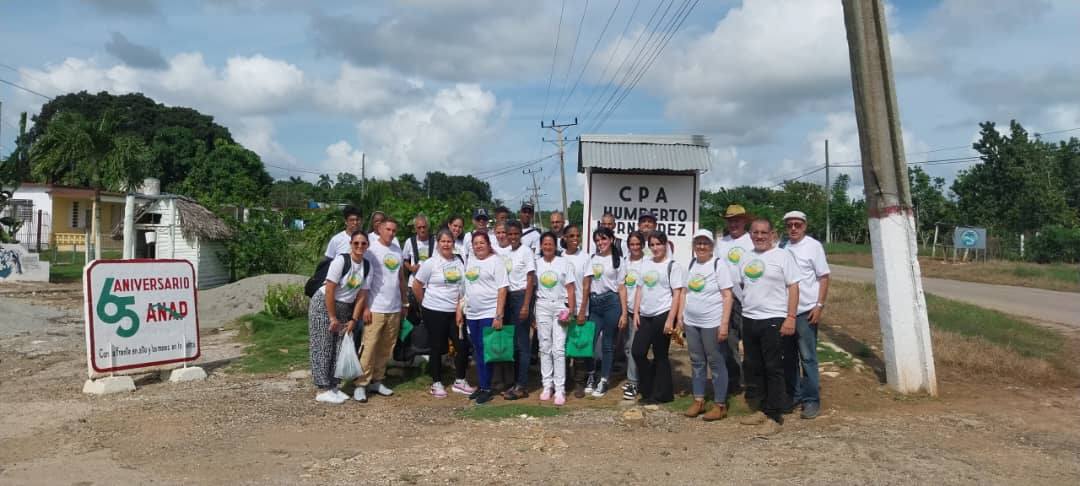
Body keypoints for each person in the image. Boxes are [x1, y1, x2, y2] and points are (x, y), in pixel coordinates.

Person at [737, 218, 799, 433]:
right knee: (755, 366)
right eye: (755, 232)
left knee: (773, 367)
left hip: (774, 318)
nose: (760, 236)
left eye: (764, 232)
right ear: (750, 234)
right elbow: (743, 284)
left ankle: (775, 416)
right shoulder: (746, 257)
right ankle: (762, 409)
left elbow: (793, 287)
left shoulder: (783, 256)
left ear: (772, 234)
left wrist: (791, 317)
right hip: (749, 318)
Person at [678, 229, 735, 420]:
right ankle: (699, 399)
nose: (701, 246)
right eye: (698, 243)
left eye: (705, 243)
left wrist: (724, 324)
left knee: (716, 361)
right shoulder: (691, 264)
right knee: (696, 360)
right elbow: (684, 292)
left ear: (712, 246)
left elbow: (727, 296)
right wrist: (681, 316)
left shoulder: (719, 265)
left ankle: (720, 404)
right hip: (691, 322)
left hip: (712, 322)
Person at [308, 230, 370, 404]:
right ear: (351, 244)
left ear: (367, 245)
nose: (359, 246)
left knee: (339, 347)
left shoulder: (366, 266)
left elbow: (362, 295)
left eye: (363, 243)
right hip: (324, 305)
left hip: (345, 308)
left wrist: (353, 319)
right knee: (323, 344)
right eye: (356, 243)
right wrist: (332, 317)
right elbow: (329, 289)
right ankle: (322, 388)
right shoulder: (341, 261)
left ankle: (334, 385)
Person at [411, 229, 474, 398]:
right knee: (437, 347)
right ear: (438, 243)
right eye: (443, 241)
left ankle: (460, 380)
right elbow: (417, 285)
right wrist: (424, 305)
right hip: (434, 311)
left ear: (453, 243)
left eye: (449, 241)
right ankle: (436, 382)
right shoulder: (430, 263)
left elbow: (462, 287)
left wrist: (460, 308)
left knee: (462, 345)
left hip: (455, 311)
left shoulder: (459, 261)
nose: (446, 244)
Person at [782, 210, 831, 419]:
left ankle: (811, 400)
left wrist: (819, 305)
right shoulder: (782, 246)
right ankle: (794, 395)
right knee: (788, 357)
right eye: (790, 225)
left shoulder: (813, 246)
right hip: (785, 312)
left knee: (808, 357)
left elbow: (824, 277)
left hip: (805, 311)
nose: (793, 228)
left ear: (805, 226)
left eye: (798, 224)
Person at [356, 217, 408, 402]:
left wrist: (404, 302)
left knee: (386, 347)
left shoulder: (397, 250)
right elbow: (364, 280)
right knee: (369, 346)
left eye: (394, 230)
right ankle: (361, 383)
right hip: (375, 307)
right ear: (379, 229)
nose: (391, 233)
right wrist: (365, 307)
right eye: (388, 229)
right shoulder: (371, 250)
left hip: (394, 307)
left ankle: (377, 380)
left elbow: (400, 278)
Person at [632, 231, 685, 405]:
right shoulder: (645, 263)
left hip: (663, 313)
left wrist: (671, 319)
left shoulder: (672, 266)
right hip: (645, 314)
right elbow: (639, 288)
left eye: (658, 244)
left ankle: (662, 394)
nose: (655, 248)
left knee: (660, 355)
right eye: (652, 245)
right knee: (638, 352)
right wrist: (636, 313)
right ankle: (648, 388)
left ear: (665, 245)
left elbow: (677, 294)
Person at [458, 231, 509, 404]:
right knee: (478, 350)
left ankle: (487, 387)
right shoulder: (471, 261)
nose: (479, 246)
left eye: (482, 243)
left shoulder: (496, 261)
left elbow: (502, 289)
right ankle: (482, 384)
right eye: (476, 243)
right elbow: (466, 287)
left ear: (488, 244)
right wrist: (461, 308)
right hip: (472, 314)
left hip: (489, 312)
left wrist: (499, 315)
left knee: (487, 350)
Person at [577, 226, 628, 398]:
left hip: (611, 302)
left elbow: (621, 288)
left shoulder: (618, 260)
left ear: (611, 239)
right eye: (597, 240)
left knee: (607, 344)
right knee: (589, 343)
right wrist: (583, 308)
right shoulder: (592, 258)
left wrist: (624, 313)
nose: (600, 243)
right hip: (595, 303)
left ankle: (604, 379)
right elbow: (586, 284)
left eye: (603, 239)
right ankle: (591, 375)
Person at [534, 231, 576, 406]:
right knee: (545, 347)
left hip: (560, 306)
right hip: (542, 306)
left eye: (550, 244)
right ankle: (547, 386)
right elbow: (532, 287)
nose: (548, 247)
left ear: (555, 245)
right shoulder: (536, 264)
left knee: (558, 348)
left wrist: (571, 310)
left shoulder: (564, 263)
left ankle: (560, 389)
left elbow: (571, 288)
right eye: (545, 244)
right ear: (541, 246)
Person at [715, 204, 752, 396]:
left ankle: (753, 381)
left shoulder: (752, 240)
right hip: (727, 296)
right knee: (729, 341)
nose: (733, 224)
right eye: (730, 221)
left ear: (744, 221)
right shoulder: (721, 243)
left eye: (737, 220)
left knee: (750, 340)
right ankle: (733, 380)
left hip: (748, 295)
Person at [502, 221, 536, 400]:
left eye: (516, 234)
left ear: (521, 234)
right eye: (510, 234)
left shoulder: (526, 252)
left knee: (523, 343)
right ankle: (514, 382)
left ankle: (522, 385)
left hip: (521, 297)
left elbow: (530, 279)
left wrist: (526, 305)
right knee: (513, 343)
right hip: (508, 298)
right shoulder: (506, 253)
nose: (513, 237)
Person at [560, 224, 591, 398]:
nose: (575, 239)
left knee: (579, 348)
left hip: (579, 307)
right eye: (571, 236)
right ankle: (563, 381)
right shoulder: (559, 257)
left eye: (577, 236)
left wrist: (582, 310)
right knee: (562, 347)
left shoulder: (585, 258)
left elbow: (586, 286)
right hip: (561, 308)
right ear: (564, 238)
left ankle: (579, 382)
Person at [619, 231, 646, 400]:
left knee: (635, 347)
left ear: (642, 245)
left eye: (637, 244)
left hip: (641, 311)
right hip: (627, 309)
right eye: (632, 244)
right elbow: (621, 286)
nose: (635, 247)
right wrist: (624, 311)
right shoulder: (624, 262)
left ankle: (634, 382)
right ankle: (635, 377)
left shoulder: (647, 262)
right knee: (628, 347)